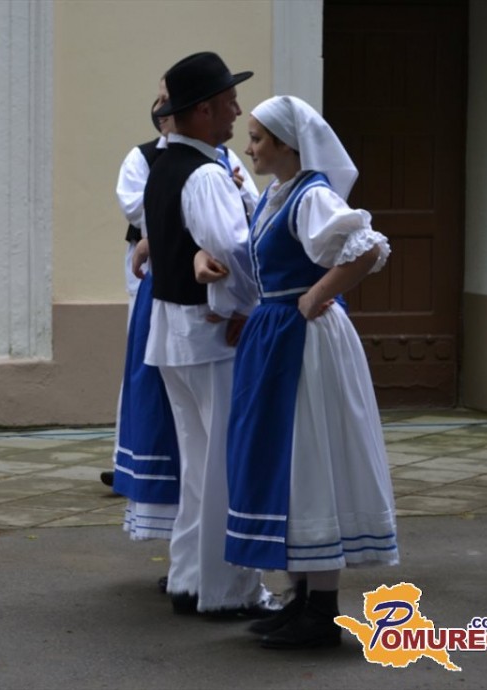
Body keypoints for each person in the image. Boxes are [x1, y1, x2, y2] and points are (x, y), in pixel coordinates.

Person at [224, 95, 399, 649]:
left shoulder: (311, 194)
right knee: (288, 459)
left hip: (306, 341)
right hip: (278, 335)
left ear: (286, 143)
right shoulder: (277, 196)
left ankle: (321, 611)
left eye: (257, 138)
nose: (249, 147)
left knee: (311, 459)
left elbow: (366, 248)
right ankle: (302, 597)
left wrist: (315, 294)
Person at [141, 51, 276, 618]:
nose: (236, 112)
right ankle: (228, 591)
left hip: (175, 331)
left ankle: (190, 579)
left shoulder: (165, 164)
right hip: (211, 334)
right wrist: (249, 307)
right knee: (225, 465)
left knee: (200, 465)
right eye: (228, 103)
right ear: (201, 111)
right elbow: (234, 251)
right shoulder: (203, 174)